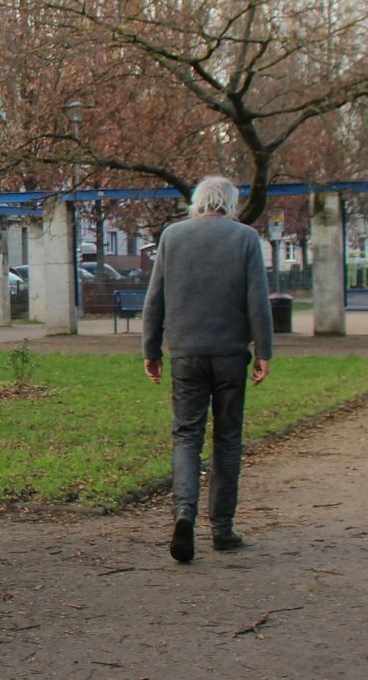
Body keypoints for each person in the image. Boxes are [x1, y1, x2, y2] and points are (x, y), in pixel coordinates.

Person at [142, 175, 274, 564]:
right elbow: (258, 300)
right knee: (227, 439)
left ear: (197, 202)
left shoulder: (172, 236)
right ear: (230, 204)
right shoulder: (245, 238)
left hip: (186, 353)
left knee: (187, 437)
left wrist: (151, 349)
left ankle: (184, 514)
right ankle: (222, 530)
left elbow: (155, 298)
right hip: (231, 354)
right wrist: (263, 350)